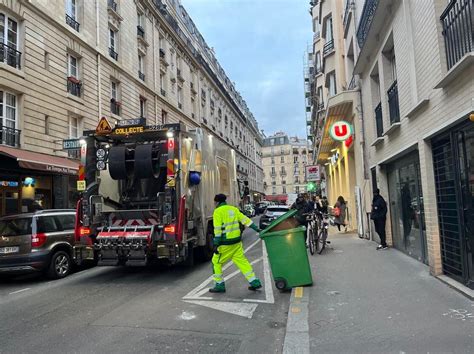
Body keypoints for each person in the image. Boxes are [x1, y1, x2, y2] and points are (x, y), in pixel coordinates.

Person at [209, 194, 262, 293]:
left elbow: (218, 229)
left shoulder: (218, 211)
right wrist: (256, 229)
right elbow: (245, 220)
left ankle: (219, 284)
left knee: (215, 262)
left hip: (225, 243)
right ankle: (254, 282)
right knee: (242, 262)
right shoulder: (233, 209)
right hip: (236, 242)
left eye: (214, 202)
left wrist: (216, 244)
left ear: (217, 202)